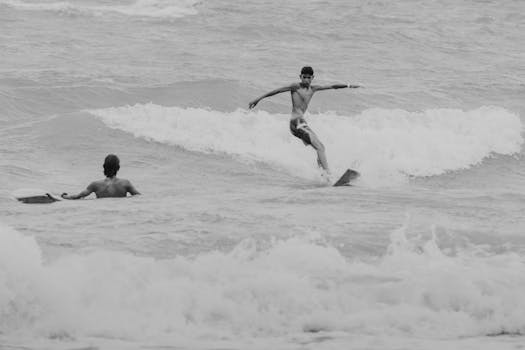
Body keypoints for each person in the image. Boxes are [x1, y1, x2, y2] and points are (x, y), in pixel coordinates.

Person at [249, 66, 359, 179]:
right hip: (295, 123)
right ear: (300, 77)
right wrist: (258, 99)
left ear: (312, 78)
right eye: (304, 77)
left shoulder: (314, 89)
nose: (306, 79)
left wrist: (349, 85)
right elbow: (276, 91)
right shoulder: (295, 87)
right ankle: (329, 175)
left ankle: (324, 176)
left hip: (302, 123)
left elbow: (332, 86)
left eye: (308, 77)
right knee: (319, 147)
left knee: (321, 148)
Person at [61, 154, 140, 199]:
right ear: (118, 168)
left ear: (104, 167)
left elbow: (78, 196)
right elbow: (139, 197)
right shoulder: (125, 183)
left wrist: (64, 196)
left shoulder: (95, 185)